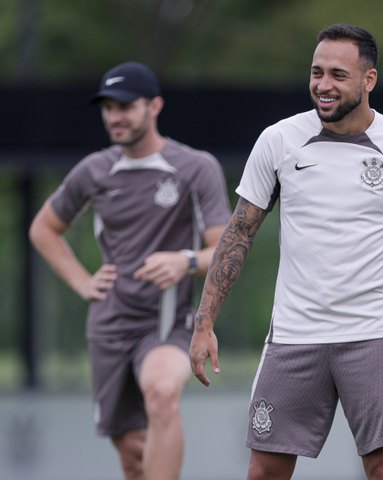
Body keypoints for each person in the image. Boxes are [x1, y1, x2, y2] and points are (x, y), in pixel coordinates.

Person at [188, 23, 383, 480]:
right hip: (294, 336)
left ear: (368, 80)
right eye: (316, 73)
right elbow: (238, 235)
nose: (323, 85)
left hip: (372, 337)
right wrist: (204, 322)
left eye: (337, 74)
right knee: (263, 470)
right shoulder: (278, 141)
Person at [28, 61, 232, 480]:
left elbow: (228, 251)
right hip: (108, 327)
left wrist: (186, 261)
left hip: (168, 324)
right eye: (107, 107)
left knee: (161, 394)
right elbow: (43, 229)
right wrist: (82, 281)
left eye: (125, 106)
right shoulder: (94, 171)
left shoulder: (196, 168)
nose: (115, 116)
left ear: (154, 105)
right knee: (134, 456)